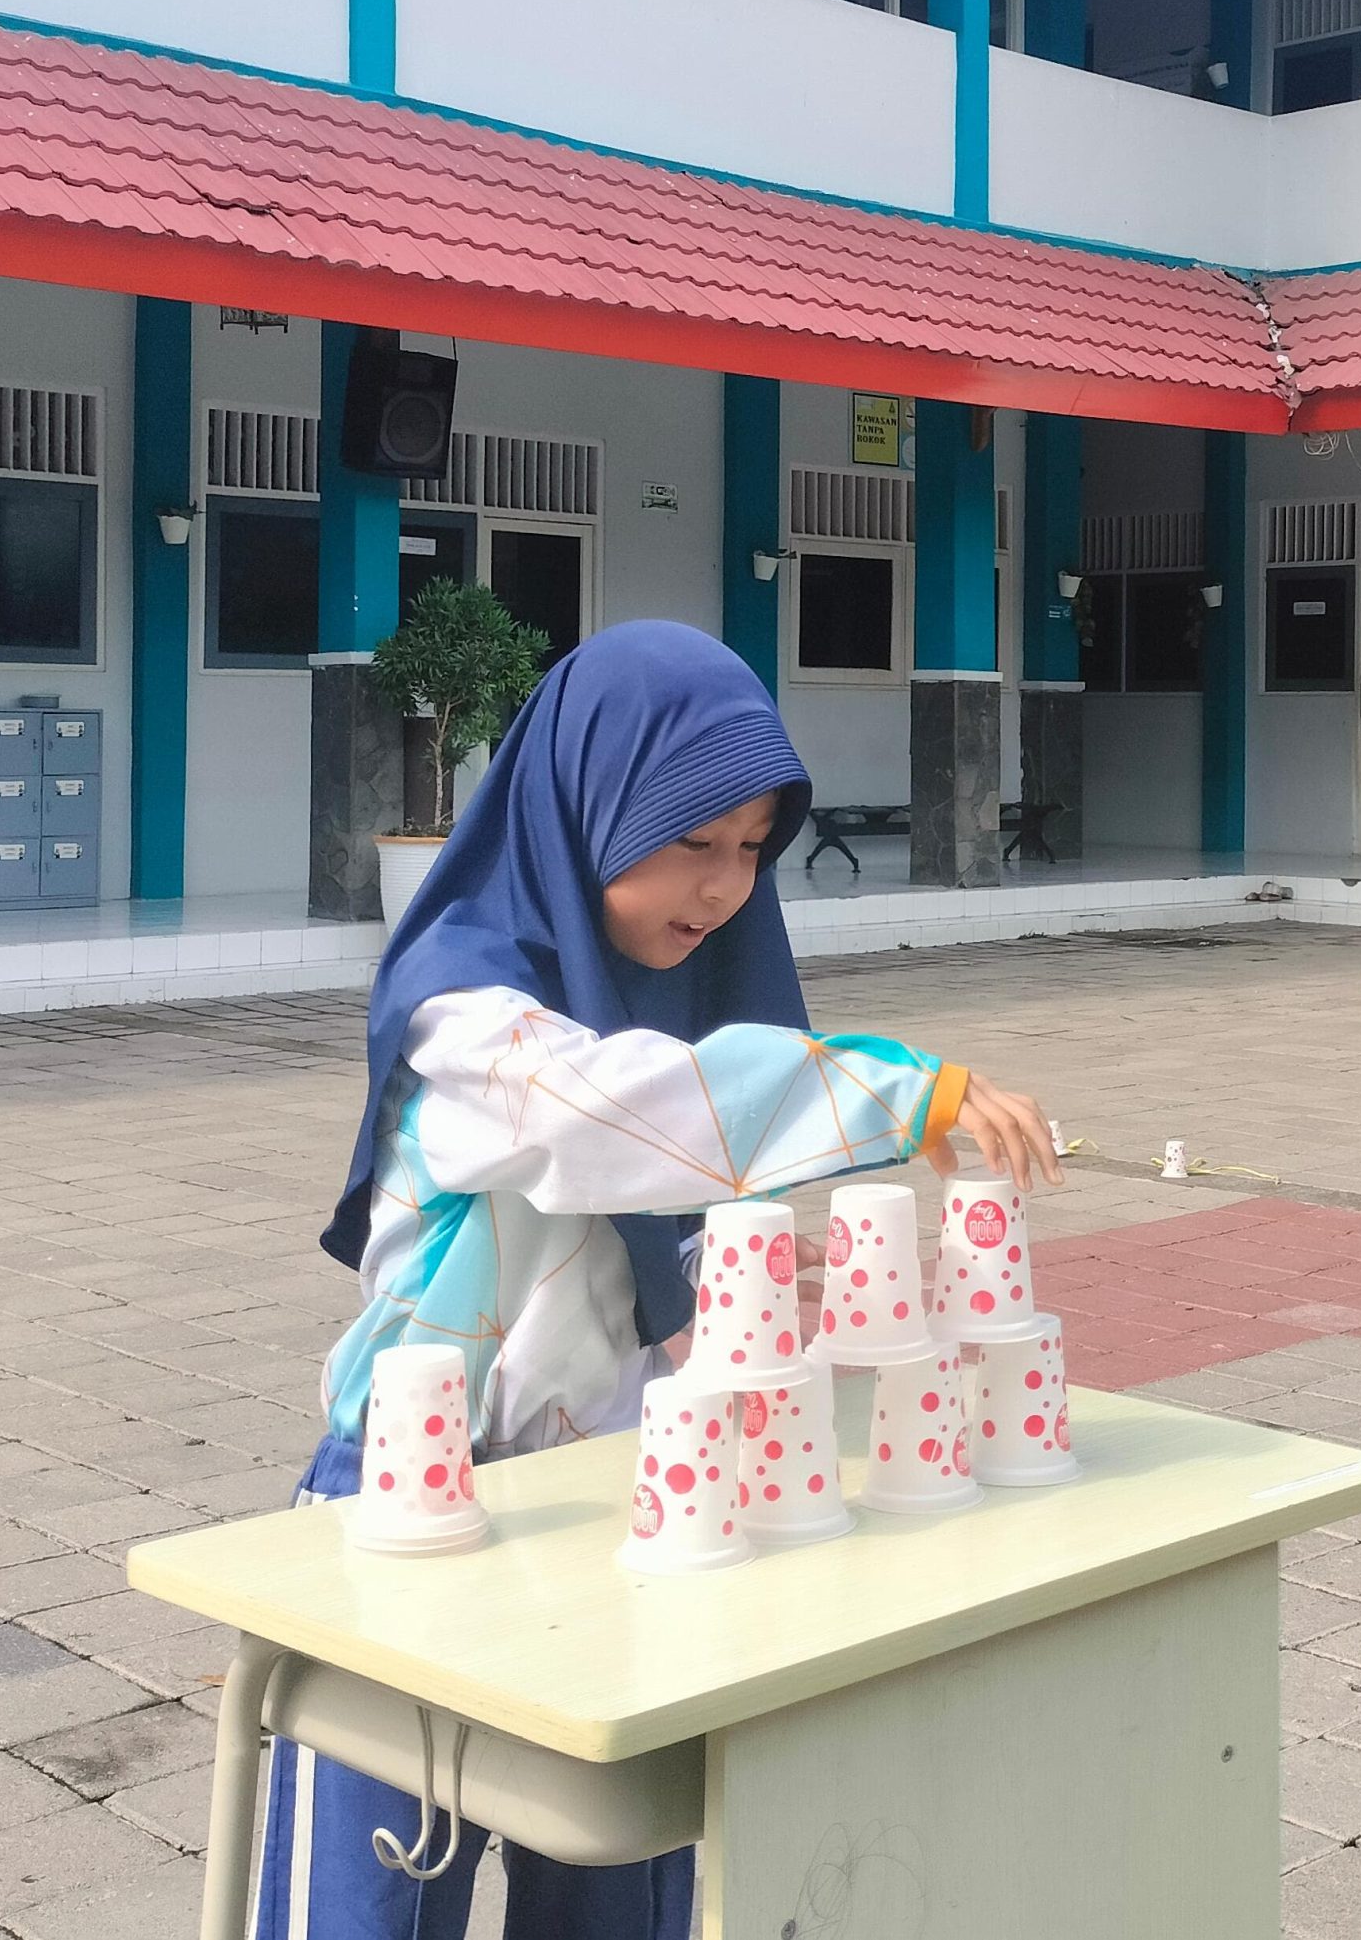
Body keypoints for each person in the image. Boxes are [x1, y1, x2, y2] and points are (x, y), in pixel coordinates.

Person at [256, 622, 1057, 1940]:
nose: (724, 887)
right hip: (412, 1508)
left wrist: (737, 1266)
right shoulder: (465, 1016)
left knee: (620, 1890)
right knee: (370, 1903)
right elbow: (606, 1121)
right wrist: (898, 1092)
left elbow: (637, 1222)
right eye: (690, 841)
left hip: (614, 1511)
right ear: (580, 804)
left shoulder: (651, 1007)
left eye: (751, 849)